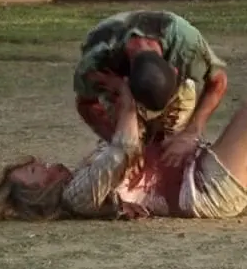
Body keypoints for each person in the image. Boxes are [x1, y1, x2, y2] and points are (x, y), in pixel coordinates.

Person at [0, 87, 247, 221]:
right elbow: (124, 148)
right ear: (36, 195)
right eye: (35, 172)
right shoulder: (76, 195)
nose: (45, 164)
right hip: (201, 187)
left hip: (203, 171)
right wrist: (129, 96)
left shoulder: (82, 175)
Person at [74, 11, 229, 165]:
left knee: (177, 153)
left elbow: (218, 81)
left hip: (172, 90)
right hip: (121, 95)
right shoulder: (97, 60)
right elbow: (85, 104)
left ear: (175, 70)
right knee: (128, 155)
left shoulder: (185, 42)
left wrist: (191, 132)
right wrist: (117, 141)